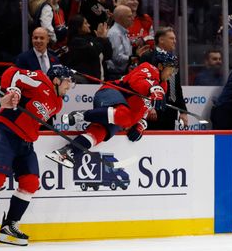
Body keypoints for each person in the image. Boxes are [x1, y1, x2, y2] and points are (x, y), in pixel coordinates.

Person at [0, 65, 74, 245]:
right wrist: (13, 91)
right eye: (68, 81)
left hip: (25, 141)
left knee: (31, 182)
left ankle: (9, 226)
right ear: (56, 79)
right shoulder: (41, 80)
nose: (69, 86)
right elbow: (13, 72)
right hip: (6, 131)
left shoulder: (58, 104)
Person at [45, 51, 176, 168]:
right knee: (126, 116)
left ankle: (67, 152)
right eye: (171, 69)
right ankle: (81, 115)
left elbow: (146, 106)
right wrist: (152, 88)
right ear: (160, 66)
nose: (171, 74)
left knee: (100, 132)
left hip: (119, 113)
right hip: (110, 93)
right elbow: (135, 81)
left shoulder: (163, 86)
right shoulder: (148, 68)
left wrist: (141, 123)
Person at [141, 27, 188, 130]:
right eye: (171, 38)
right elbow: (142, 84)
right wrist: (149, 107)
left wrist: (183, 111)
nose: (175, 41)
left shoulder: (173, 59)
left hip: (170, 111)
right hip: (153, 112)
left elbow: (176, 87)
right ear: (161, 40)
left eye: (175, 39)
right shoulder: (147, 57)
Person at [106, 4, 134, 79]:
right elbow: (117, 57)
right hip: (115, 76)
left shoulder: (123, 32)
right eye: (129, 16)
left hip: (123, 73)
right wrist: (133, 58)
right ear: (120, 18)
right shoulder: (115, 33)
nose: (132, 18)